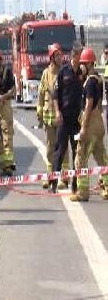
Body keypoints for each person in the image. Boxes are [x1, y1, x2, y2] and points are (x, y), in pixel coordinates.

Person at [70, 48, 108, 201]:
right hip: (98, 124)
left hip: (90, 125)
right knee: (102, 158)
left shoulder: (91, 82)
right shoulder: (97, 79)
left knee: (81, 157)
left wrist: (84, 128)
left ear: (89, 64)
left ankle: (83, 192)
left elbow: (89, 104)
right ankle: (106, 186)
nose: (81, 67)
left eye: (83, 64)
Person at [50, 42, 84, 193]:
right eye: (79, 55)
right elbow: (55, 94)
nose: (80, 58)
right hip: (64, 118)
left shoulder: (82, 73)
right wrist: (57, 112)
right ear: (74, 55)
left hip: (76, 120)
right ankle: (53, 182)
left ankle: (75, 184)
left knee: (77, 150)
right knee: (60, 150)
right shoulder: (64, 71)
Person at [36, 43, 69, 189]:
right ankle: (51, 176)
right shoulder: (46, 74)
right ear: (51, 57)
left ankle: (64, 177)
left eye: (60, 55)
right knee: (50, 148)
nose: (60, 58)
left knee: (63, 147)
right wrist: (39, 110)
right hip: (49, 117)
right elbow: (41, 94)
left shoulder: (65, 72)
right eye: (57, 55)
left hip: (61, 117)